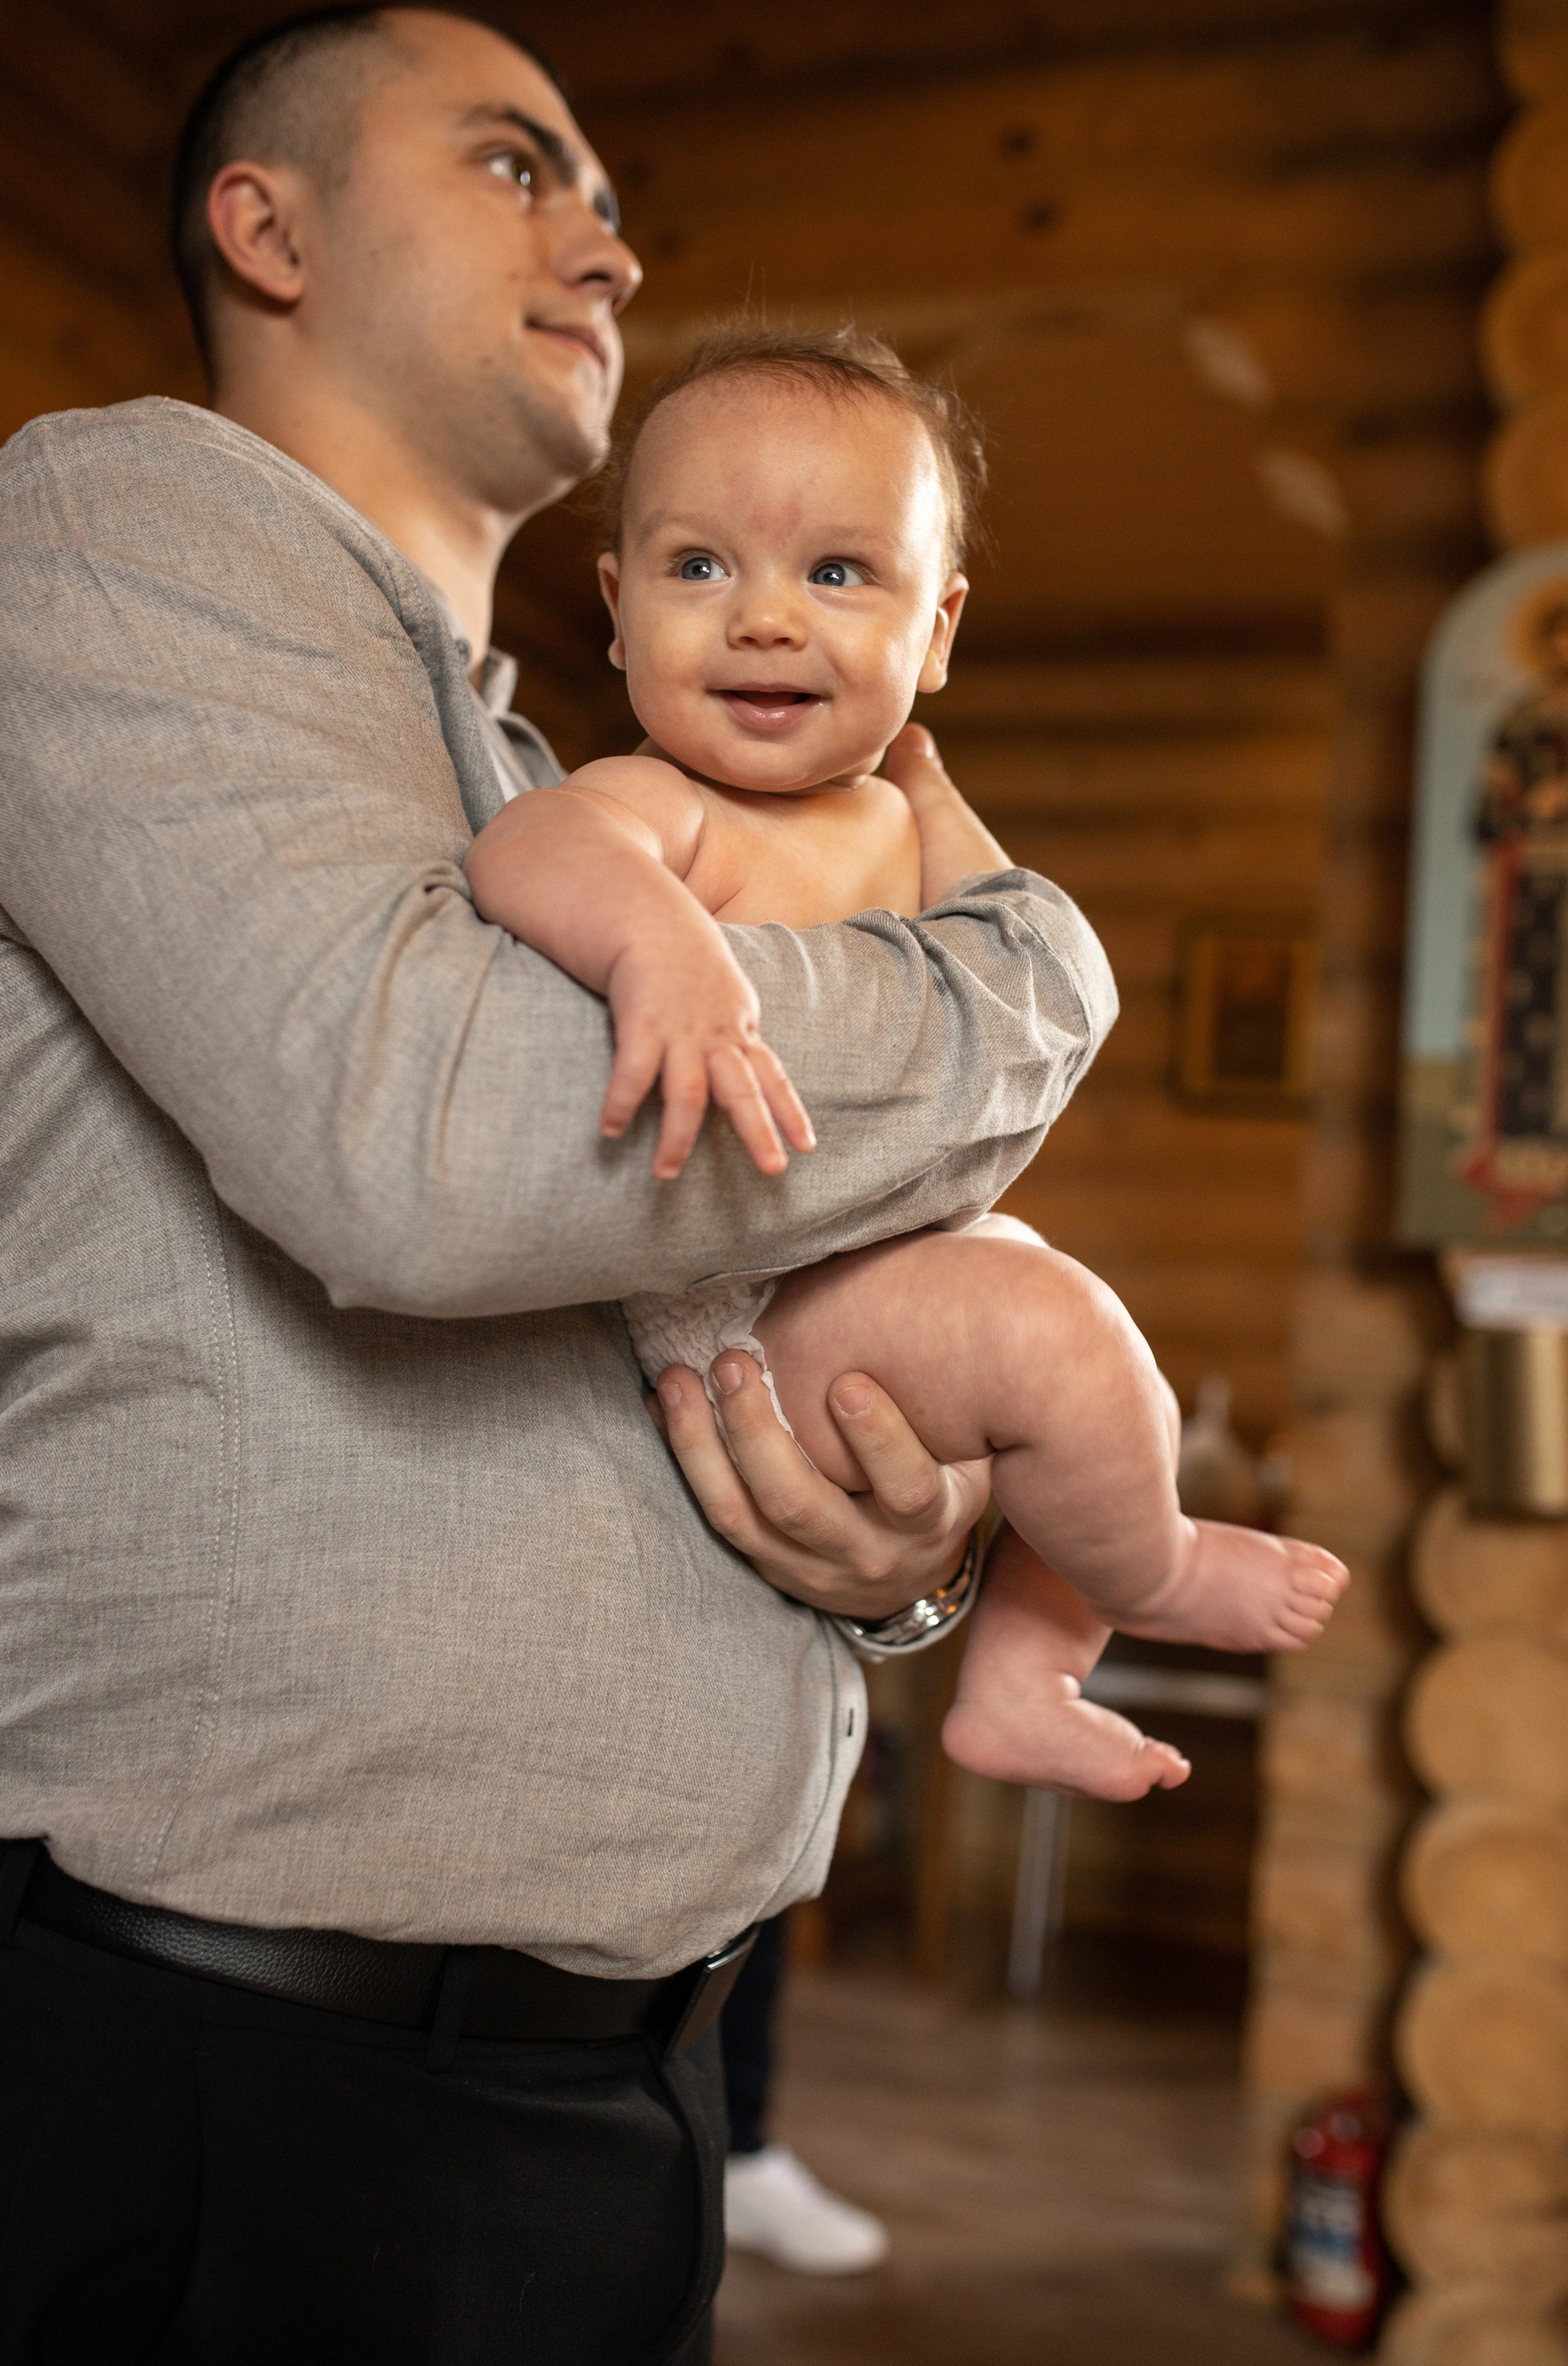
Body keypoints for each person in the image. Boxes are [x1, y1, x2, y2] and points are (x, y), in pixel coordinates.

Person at [0, 9, 1118, 2361]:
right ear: (266, 224)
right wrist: (1025, 991)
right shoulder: (117, 527)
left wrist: (896, 1560)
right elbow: (429, 1145)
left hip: (609, 2082)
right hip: (247, 2086)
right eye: (520, 164)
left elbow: (676, 1299)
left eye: (608, 190)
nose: (606, 238)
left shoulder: (549, 754)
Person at [462, 325, 1350, 1802]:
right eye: (698, 567)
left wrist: (939, 806)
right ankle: (1159, 1564)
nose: (760, 619)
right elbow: (529, 846)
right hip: (732, 1309)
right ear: (612, 614)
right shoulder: (657, 800)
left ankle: (1019, 1668)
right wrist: (659, 949)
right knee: (1053, 1340)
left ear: (935, 632)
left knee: (1066, 1358)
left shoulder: (903, 817)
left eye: (834, 572)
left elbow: (1021, 951)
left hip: (861, 1263)